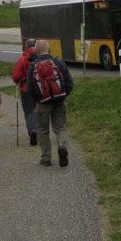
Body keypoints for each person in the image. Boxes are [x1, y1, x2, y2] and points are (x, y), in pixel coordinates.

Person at [27, 39, 74, 167]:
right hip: (59, 100)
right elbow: (69, 82)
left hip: (42, 103)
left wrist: (35, 102)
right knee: (60, 127)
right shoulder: (58, 62)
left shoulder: (33, 66)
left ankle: (46, 158)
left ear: (36, 51)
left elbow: (30, 90)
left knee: (42, 130)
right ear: (49, 49)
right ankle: (62, 146)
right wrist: (64, 95)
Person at [10, 38, 38, 146]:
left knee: (28, 111)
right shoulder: (40, 57)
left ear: (27, 46)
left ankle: (32, 130)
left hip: (26, 89)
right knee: (37, 110)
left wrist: (18, 81)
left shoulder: (23, 59)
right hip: (39, 89)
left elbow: (16, 75)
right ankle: (38, 130)